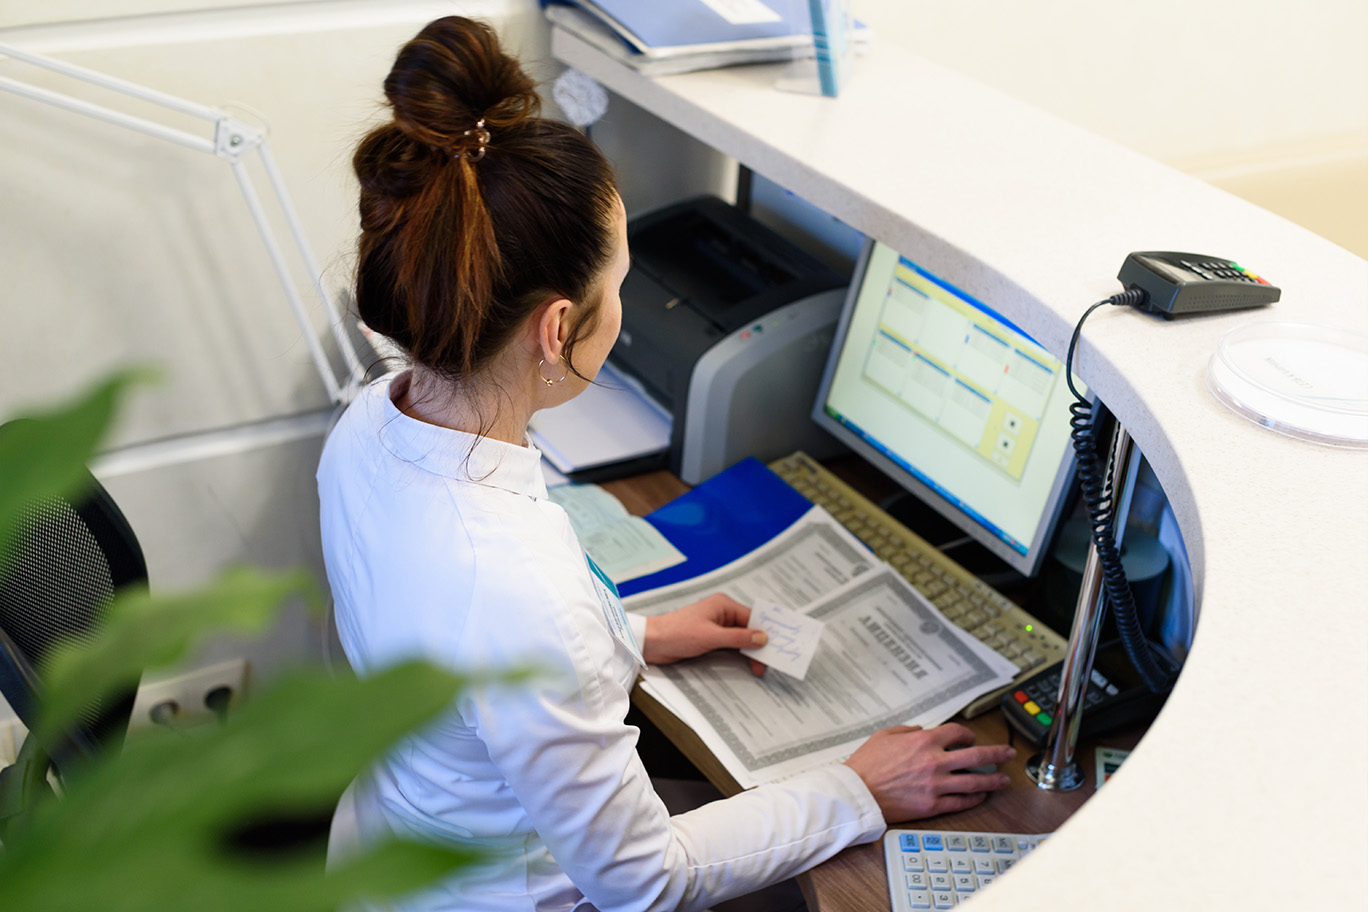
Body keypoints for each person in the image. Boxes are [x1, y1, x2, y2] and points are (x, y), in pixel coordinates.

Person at [317, 16, 1015, 912]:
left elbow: (459, 652)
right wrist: (858, 790)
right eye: (620, 286)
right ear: (559, 329)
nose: (625, 308)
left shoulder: (371, 424)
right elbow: (645, 883)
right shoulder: (518, 589)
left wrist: (633, 638)